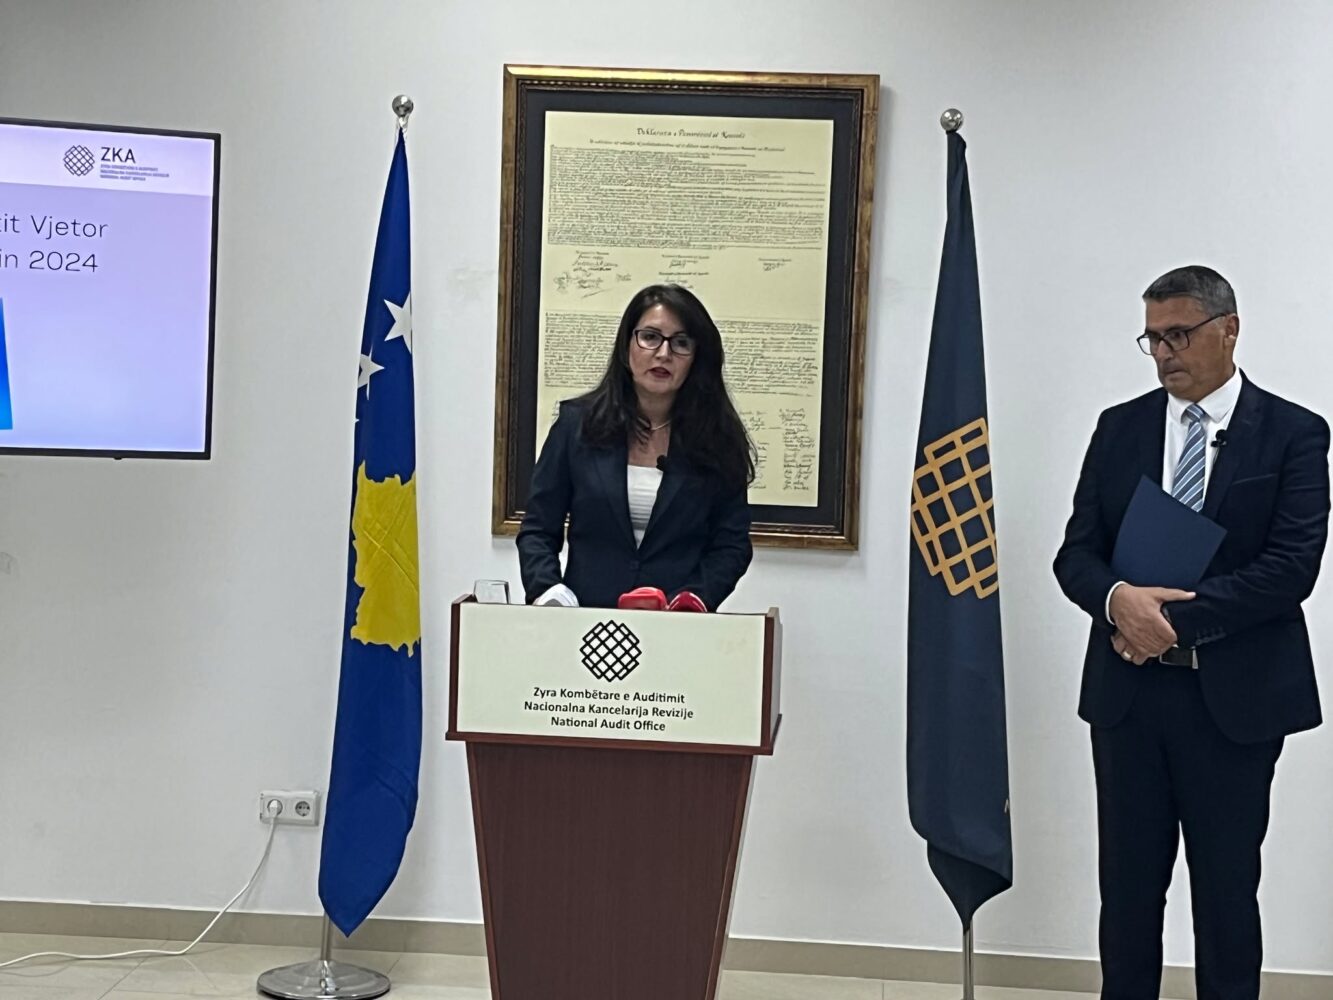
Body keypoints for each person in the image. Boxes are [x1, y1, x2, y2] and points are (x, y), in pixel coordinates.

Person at [1053, 266, 1328, 1000]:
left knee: (1226, 892)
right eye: (1152, 338)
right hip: (1128, 698)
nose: (1164, 353)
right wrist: (1117, 601)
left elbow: (1289, 570)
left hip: (1233, 702)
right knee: (1127, 892)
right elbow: (1075, 555)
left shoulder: (1294, 433)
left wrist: (1164, 624)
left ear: (1228, 329)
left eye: (1178, 334)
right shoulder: (1119, 429)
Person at [517, 283, 755, 611]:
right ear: (627, 345)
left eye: (681, 343)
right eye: (650, 337)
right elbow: (538, 529)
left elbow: (731, 545)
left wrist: (698, 597)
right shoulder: (577, 425)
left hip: (678, 621)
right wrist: (547, 589)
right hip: (585, 618)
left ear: (696, 357)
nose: (664, 354)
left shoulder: (718, 438)